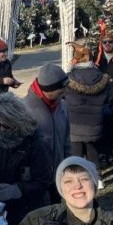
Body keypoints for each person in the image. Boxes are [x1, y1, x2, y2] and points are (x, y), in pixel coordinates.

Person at [0, 92, 51, 225]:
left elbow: (43, 182)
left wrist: (16, 189)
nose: (0, 129)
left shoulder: (37, 143)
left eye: (5, 126)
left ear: (17, 123)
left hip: (30, 209)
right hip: (1, 206)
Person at [24, 63, 71, 201]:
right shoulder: (25, 110)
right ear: (49, 90)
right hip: (35, 182)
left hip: (58, 177)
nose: (65, 92)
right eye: (61, 90)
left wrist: (67, 167)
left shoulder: (63, 106)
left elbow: (66, 141)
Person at [64, 43, 112, 168]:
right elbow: (109, 97)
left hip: (74, 124)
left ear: (76, 58)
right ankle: (97, 177)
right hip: (94, 122)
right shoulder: (101, 77)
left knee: (75, 153)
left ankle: (77, 176)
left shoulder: (69, 78)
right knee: (93, 150)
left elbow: (62, 97)